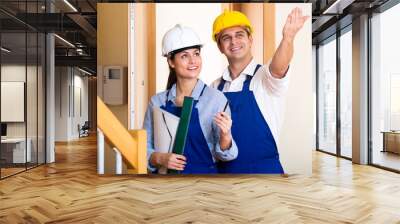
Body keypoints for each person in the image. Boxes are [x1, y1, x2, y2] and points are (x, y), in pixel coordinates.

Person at [211, 8, 309, 174]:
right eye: (226, 38)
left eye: (239, 35)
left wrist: (288, 38)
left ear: (250, 39)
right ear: (220, 47)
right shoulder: (215, 87)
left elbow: (278, 68)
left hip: (265, 173)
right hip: (224, 174)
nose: (234, 42)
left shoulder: (264, 77)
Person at [143, 24, 238, 174]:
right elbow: (144, 148)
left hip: (204, 183)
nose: (193, 61)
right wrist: (160, 158)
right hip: (166, 185)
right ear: (171, 61)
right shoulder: (157, 102)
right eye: (184, 56)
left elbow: (226, 155)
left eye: (196, 53)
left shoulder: (216, 99)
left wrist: (226, 136)